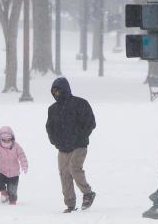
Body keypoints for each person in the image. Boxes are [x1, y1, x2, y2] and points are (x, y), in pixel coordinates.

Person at [45, 77, 96, 213]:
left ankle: (88, 193)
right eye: (54, 91)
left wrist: (81, 136)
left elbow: (91, 122)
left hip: (79, 145)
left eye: (58, 90)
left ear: (65, 89)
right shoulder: (52, 109)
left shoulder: (81, 103)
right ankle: (70, 204)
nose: (56, 93)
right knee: (64, 174)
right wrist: (55, 141)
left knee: (74, 168)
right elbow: (49, 127)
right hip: (62, 148)